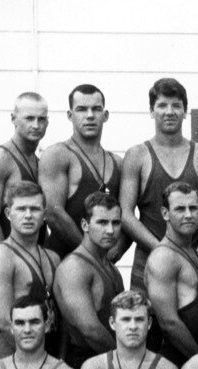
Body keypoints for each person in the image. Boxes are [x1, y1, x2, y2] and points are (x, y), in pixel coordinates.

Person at [119, 77, 198, 292]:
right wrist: (162, 249)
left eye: (176, 106)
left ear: (185, 111)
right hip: (148, 261)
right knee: (142, 323)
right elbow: (125, 213)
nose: (169, 111)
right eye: (162, 105)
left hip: (194, 261)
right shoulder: (137, 155)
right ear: (151, 111)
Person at [39, 84, 122, 257]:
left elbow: (126, 216)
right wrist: (91, 254)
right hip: (62, 261)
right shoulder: (57, 155)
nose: (90, 116)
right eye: (82, 109)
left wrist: (115, 253)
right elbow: (53, 213)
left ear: (105, 115)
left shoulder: (118, 163)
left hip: (103, 264)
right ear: (70, 115)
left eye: (96, 109)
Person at [0, 181, 63, 361]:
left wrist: (58, 358)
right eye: (21, 209)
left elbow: (62, 319)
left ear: (44, 215)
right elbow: (5, 323)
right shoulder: (2, 256)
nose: (28, 215)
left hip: (48, 355)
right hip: (13, 359)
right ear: (8, 214)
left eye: (35, 209)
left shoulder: (53, 258)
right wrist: (38, 361)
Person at [54, 192, 125, 369]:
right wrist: (124, 361)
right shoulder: (75, 267)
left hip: (108, 360)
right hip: (85, 363)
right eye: (102, 222)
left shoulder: (111, 267)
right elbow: (90, 330)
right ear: (85, 225)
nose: (110, 230)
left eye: (115, 223)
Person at [146, 182, 198, 366]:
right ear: (165, 213)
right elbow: (169, 323)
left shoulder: (194, 253)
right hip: (176, 363)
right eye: (180, 209)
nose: (188, 215)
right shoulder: (163, 258)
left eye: (193, 208)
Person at [0, 92, 50, 244]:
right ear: (13, 119)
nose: (36, 125)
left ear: (47, 122)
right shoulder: (0, 158)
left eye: (41, 119)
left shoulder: (40, 162)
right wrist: (2, 260)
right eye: (29, 118)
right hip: (8, 256)